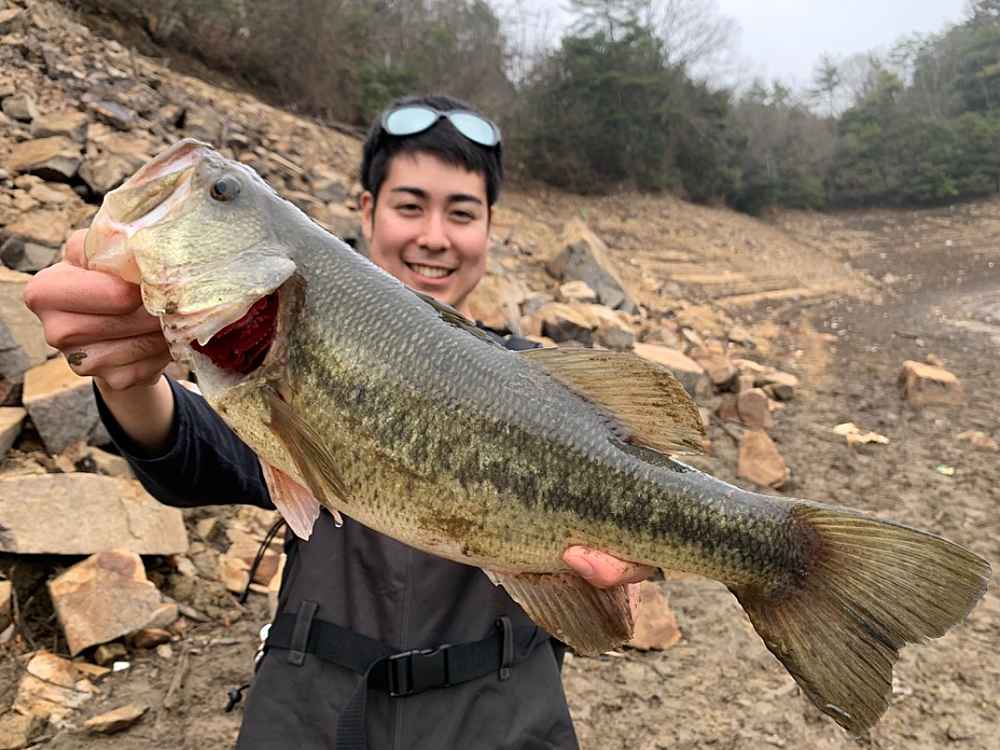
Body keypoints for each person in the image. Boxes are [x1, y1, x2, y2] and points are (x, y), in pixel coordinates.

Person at [24, 94, 653, 749]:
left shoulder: (546, 389)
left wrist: (620, 572)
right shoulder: (279, 352)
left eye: (461, 213)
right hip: (315, 717)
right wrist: (127, 379)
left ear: (489, 228)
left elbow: (648, 489)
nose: (434, 236)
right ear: (367, 212)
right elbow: (190, 449)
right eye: (410, 206)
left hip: (501, 720)